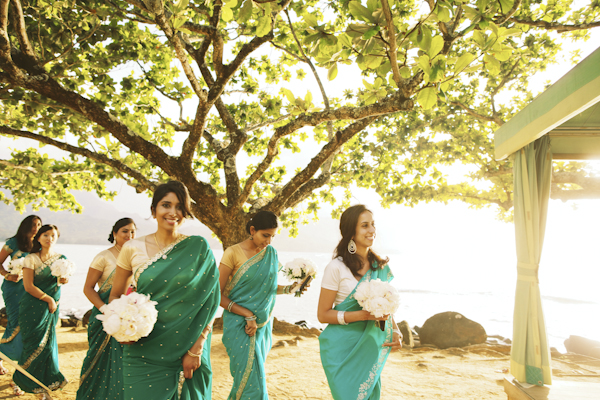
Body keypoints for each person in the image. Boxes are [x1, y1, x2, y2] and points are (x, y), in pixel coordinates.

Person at [109, 180, 220, 400]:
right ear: (153, 210)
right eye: (166, 205)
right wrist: (121, 327)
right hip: (141, 348)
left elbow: (211, 300)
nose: (173, 212)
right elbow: (115, 296)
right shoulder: (132, 248)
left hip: (187, 347)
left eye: (179, 207)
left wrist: (197, 348)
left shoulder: (198, 247)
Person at [218, 210, 306, 400]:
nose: (269, 241)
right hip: (240, 326)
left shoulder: (271, 253)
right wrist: (247, 314)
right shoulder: (233, 252)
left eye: (272, 236)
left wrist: (291, 288)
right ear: (252, 230)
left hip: (262, 327)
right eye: (265, 235)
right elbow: (217, 295)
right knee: (253, 385)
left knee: (247, 381)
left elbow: (270, 287)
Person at [317, 205, 402, 400]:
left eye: (372, 224)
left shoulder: (380, 267)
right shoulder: (336, 268)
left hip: (370, 347)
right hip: (341, 350)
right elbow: (323, 315)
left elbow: (385, 305)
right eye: (364, 226)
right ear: (351, 232)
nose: (372, 230)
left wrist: (395, 329)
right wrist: (362, 315)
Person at [76, 218, 137, 400]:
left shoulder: (137, 256)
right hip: (106, 317)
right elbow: (88, 288)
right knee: (99, 361)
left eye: (133, 232)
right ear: (114, 233)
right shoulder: (104, 257)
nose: (130, 235)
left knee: (126, 362)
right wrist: (106, 310)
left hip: (130, 317)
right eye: (125, 231)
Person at [13, 224, 69, 399]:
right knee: (33, 345)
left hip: (52, 306)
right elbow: (28, 286)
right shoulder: (31, 258)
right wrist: (48, 299)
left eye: (53, 235)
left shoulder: (61, 258)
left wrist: (63, 279)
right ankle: (24, 380)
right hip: (33, 305)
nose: (49, 238)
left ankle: (43, 386)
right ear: (38, 237)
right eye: (45, 234)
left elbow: (60, 282)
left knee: (47, 347)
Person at [0, 215, 42, 395]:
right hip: (13, 289)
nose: (36, 228)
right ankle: (6, 355)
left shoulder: (40, 245)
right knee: (15, 324)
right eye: (33, 225)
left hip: (31, 290)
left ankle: (15, 366)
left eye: (39, 225)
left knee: (28, 327)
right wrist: (7, 275)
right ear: (25, 226)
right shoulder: (13, 242)